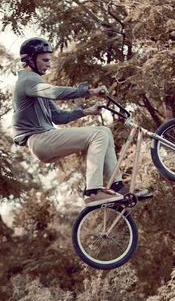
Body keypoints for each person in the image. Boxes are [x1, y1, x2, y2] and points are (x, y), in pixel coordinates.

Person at [12, 37, 147, 206]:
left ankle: (117, 185)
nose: (48, 64)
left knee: (104, 131)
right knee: (98, 134)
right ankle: (92, 191)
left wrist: (87, 111)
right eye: (45, 60)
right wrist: (89, 91)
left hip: (45, 141)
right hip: (39, 140)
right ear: (30, 59)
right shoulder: (28, 81)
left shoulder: (34, 85)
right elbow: (55, 92)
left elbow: (58, 117)